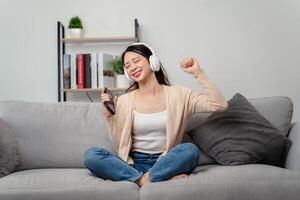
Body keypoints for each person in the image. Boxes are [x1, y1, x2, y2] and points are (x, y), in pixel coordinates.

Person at [84, 42, 228, 187]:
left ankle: (138, 179)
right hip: (133, 164)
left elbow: (219, 105)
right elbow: (119, 144)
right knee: (91, 155)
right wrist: (109, 117)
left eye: (136, 61)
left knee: (190, 150)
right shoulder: (124, 100)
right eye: (127, 66)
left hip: (166, 161)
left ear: (152, 61)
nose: (132, 67)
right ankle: (148, 179)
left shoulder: (179, 95)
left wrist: (198, 73)